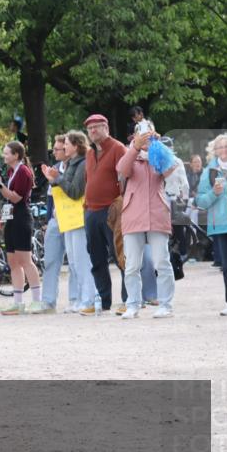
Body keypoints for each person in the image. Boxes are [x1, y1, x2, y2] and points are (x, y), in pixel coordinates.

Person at [116, 130, 178, 319]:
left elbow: (169, 170)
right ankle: (133, 304)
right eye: (141, 137)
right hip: (133, 215)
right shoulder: (129, 156)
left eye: (148, 137)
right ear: (134, 139)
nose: (144, 140)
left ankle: (166, 304)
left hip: (156, 214)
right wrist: (135, 148)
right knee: (132, 265)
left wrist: (157, 148)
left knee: (162, 261)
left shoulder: (157, 154)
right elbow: (122, 171)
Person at [44, 131, 97, 314]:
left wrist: (57, 179)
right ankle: (81, 299)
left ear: (76, 145)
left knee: (82, 261)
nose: (64, 147)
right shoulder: (73, 164)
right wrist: (54, 179)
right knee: (74, 262)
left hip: (79, 218)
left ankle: (89, 299)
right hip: (69, 219)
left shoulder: (82, 164)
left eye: (66, 144)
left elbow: (74, 191)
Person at [82, 114, 127, 313]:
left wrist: (122, 204)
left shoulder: (118, 148)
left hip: (112, 210)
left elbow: (125, 178)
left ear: (106, 128)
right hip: (91, 211)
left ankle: (129, 300)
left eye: (97, 127)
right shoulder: (90, 153)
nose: (93, 131)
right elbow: (88, 180)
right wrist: (86, 206)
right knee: (96, 258)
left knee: (121, 256)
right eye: (90, 129)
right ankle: (104, 301)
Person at [0, 141, 49, 314]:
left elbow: (15, 198)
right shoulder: (11, 170)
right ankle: (18, 302)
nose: (4, 156)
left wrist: (0, 186)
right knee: (13, 262)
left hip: (21, 217)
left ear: (16, 155)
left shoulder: (23, 172)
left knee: (25, 260)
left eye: (6, 153)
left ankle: (37, 300)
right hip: (11, 218)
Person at [38, 136, 76, 312]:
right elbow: (50, 196)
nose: (54, 152)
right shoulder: (54, 168)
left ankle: (75, 299)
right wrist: (48, 222)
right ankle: (48, 301)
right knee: (51, 260)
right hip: (56, 219)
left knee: (75, 261)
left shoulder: (76, 168)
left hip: (72, 217)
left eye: (57, 149)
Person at [195, 133, 227, 315]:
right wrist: (214, 194)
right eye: (220, 147)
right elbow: (200, 201)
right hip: (222, 225)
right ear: (214, 151)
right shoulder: (209, 172)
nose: (224, 150)